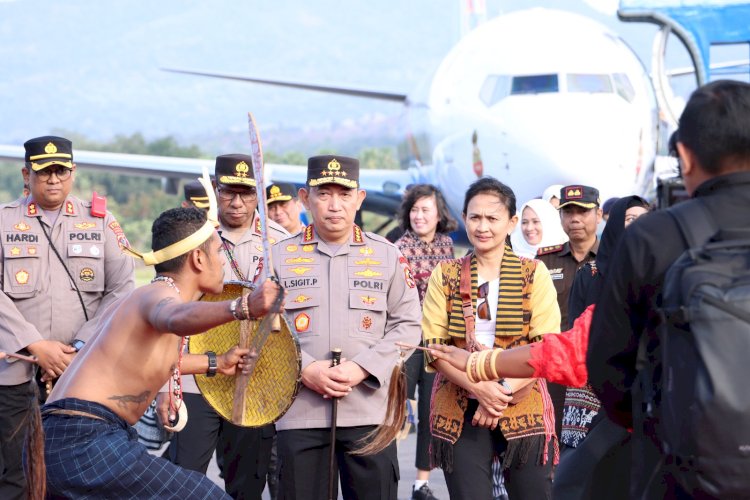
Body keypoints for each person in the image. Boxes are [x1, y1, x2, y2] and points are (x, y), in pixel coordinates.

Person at [32, 207, 281, 499]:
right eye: (219, 252)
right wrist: (244, 306)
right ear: (198, 259)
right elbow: (173, 316)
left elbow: (143, 362)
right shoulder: (160, 296)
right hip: (84, 438)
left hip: (64, 438)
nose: (224, 262)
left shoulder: (140, 299)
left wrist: (215, 362)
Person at [587, 80, 750, 498]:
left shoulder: (653, 237)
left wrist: (661, 421)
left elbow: (607, 367)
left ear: (684, 155)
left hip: (681, 474)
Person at [271, 155, 421, 500]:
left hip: (369, 411)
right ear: (305, 199)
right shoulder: (279, 257)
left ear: (360, 198)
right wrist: (305, 369)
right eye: (324, 194)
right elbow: (261, 327)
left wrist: (361, 368)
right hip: (300, 412)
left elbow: (408, 324)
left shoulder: (387, 255)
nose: (334, 205)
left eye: (344, 194)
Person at [0, 136, 135, 499]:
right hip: (16, 372)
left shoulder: (101, 221)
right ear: (27, 175)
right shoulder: (3, 221)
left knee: (78, 471)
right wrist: (36, 344)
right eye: (45, 172)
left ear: (72, 173)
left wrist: (77, 347)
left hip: (83, 370)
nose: (53, 179)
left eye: (61, 171)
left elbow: (122, 287)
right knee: (15, 474)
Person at [158, 154, 288, 500]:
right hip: (198, 378)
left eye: (246, 193)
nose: (237, 202)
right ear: (215, 190)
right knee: (184, 478)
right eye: (229, 192)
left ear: (258, 193)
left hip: (256, 379)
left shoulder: (280, 243)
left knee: (247, 483)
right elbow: (169, 308)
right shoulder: (193, 239)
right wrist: (165, 386)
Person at [421, 177, 560, 500]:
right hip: (460, 402)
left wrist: (500, 392)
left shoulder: (533, 273)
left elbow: (545, 347)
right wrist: (478, 388)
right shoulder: (445, 274)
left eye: (492, 218)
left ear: (511, 223)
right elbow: (434, 348)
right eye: (474, 217)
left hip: (521, 399)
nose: (482, 227)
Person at [555, 195, 649, 500]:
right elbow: (576, 334)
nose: (637, 226)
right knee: (580, 476)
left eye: (644, 219)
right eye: (630, 219)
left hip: (642, 392)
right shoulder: (590, 274)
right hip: (592, 390)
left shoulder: (663, 271)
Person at [394, 184, 457, 500]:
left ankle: (420, 483)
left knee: (431, 413)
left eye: (425, 210)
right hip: (406, 343)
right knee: (393, 411)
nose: (419, 216)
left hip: (437, 342)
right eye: (414, 210)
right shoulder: (399, 248)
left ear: (438, 215)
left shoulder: (447, 246)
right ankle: (387, 473)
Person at [536, 184, 601, 441]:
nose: (574, 219)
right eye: (568, 212)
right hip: (555, 370)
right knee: (551, 442)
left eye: (582, 212)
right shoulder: (545, 261)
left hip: (597, 372)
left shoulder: (617, 258)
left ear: (598, 214)